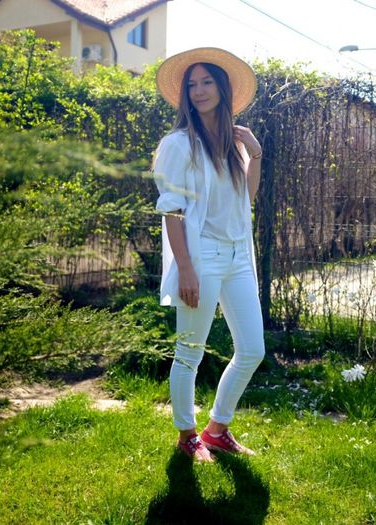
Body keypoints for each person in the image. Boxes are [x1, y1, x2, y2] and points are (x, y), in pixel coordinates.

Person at [153, 47, 265, 462]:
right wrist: (185, 268)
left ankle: (217, 429)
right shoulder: (178, 144)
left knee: (252, 349)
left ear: (222, 87)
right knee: (190, 353)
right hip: (202, 257)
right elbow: (173, 210)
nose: (199, 91)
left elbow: (245, 198)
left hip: (238, 256)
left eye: (206, 82)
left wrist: (255, 154)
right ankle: (187, 435)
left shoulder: (234, 144)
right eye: (192, 85)